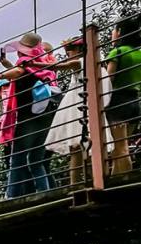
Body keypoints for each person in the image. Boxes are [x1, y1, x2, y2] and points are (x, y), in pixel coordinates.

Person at [0, 32, 57, 198]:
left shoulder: (24, 64)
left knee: (17, 160)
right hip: (45, 118)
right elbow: (23, 71)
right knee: (36, 161)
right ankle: (47, 195)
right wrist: (6, 65)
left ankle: (11, 198)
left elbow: (18, 72)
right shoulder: (42, 65)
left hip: (28, 118)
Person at [45, 37, 114, 185]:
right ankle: (98, 179)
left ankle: (75, 185)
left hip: (78, 109)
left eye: (71, 50)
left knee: (76, 148)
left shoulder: (81, 62)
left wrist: (34, 63)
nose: (68, 53)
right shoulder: (96, 65)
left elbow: (58, 66)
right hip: (88, 107)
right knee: (91, 149)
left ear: (78, 51)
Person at [104, 14, 141, 175]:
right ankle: (115, 182)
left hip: (117, 104)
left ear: (119, 32)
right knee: (122, 148)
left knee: (120, 149)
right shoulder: (138, 53)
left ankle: (125, 184)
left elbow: (108, 81)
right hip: (134, 102)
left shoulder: (117, 52)